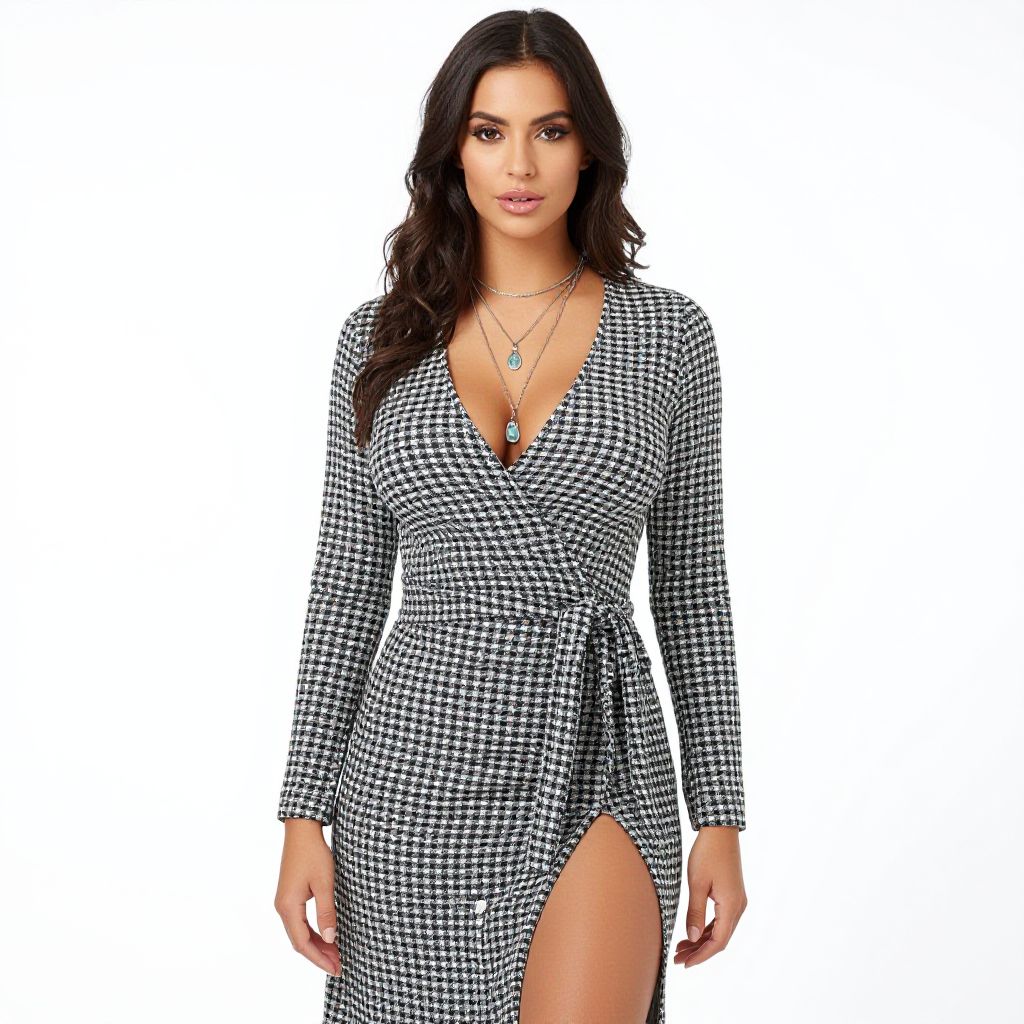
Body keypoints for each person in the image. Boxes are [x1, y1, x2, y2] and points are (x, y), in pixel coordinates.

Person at [273, 9, 747, 1023]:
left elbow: (693, 590)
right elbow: (345, 586)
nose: (520, 164)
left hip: (597, 750)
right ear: (454, 150)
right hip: (410, 768)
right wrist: (303, 809)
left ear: (590, 149)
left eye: (551, 130)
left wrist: (719, 812)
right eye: (489, 132)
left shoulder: (669, 336)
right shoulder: (377, 341)